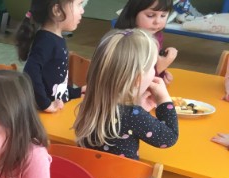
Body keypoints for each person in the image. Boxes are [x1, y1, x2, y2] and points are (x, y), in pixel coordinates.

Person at [74, 28, 178, 160]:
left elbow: (120, 124)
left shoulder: (90, 103)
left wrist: (139, 106)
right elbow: (169, 137)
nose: (154, 71)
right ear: (138, 79)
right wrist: (164, 100)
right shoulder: (133, 115)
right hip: (123, 174)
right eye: (153, 66)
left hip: (88, 171)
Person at [16, 0, 87, 113]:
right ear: (57, 10)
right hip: (46, 115)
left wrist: (76, 92)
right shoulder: (46, 41)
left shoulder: (55, 39)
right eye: (79, 4)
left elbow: (55, 81)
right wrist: (45, 104)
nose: (82, 10)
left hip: (57, 110)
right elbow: (30, 72)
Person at [116, 0, 177, 83]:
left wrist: (162, 74)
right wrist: (160, 68)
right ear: (133, 13)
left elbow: (151, 65)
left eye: (163, 15)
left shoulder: (157, 35)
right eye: (150, 15)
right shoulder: (126, 41)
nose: (157, 21)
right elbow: (130, 83)